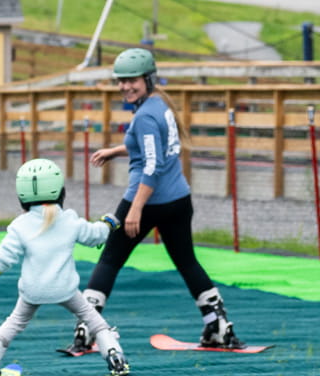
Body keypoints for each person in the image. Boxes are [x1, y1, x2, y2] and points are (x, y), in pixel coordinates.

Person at [73, 48, 242, 350]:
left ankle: (88, 328)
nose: (125, 87)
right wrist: (116, 151)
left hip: (148, 200)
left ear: (148, 79)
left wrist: (136, 208)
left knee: (110, 259)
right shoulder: (158, 105)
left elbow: (152, 165)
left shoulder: (145, 116)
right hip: (178, 201)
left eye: (131, 81)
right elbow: (154, 148)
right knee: (187, 261)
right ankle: (218, 325)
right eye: (121, 81)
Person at [0, 159, 130, 376]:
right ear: (61, 192)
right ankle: (115, 357)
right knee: (95, 323)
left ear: (21, 197)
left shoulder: (20, 226)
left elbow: (3, 258)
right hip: (66, 290)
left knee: (12, 325)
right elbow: (94, 235)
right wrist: (108, 223)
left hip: (32, 291)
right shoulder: (69, 219)